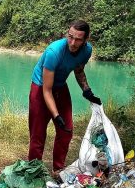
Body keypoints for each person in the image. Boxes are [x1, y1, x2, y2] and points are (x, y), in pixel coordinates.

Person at [28, 20, 102, 174]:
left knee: (66, 131)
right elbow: (47, 90)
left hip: (60, 86)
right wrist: (56, 115)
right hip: (41, 87)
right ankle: (34, 172)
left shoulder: (86, 51)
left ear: (86, 39)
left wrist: (87, 90)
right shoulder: (53, 52)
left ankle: (58, 170)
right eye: (70, 37)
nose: (73, 43)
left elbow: (78, 70)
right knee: (38, 134)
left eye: (78, 39)